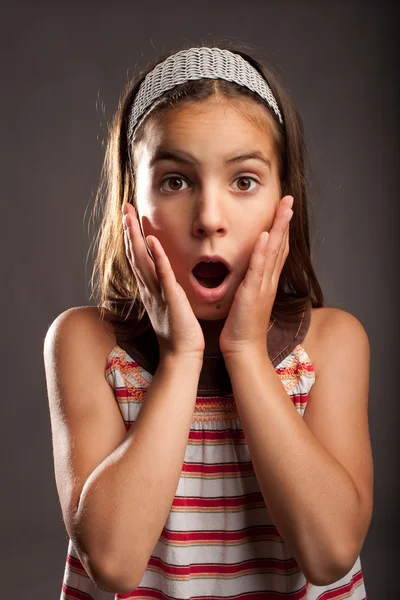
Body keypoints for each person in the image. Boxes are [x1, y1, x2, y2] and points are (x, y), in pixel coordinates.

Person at [43, 42, 373, 599]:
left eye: (244, 181)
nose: (209, 219)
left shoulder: (333, 343)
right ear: (132, 199)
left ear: (281, 201)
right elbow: (116, 563)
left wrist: (244, 351)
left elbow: (330, 553)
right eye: (175, 181)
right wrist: (180, 359)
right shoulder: (84, 344)